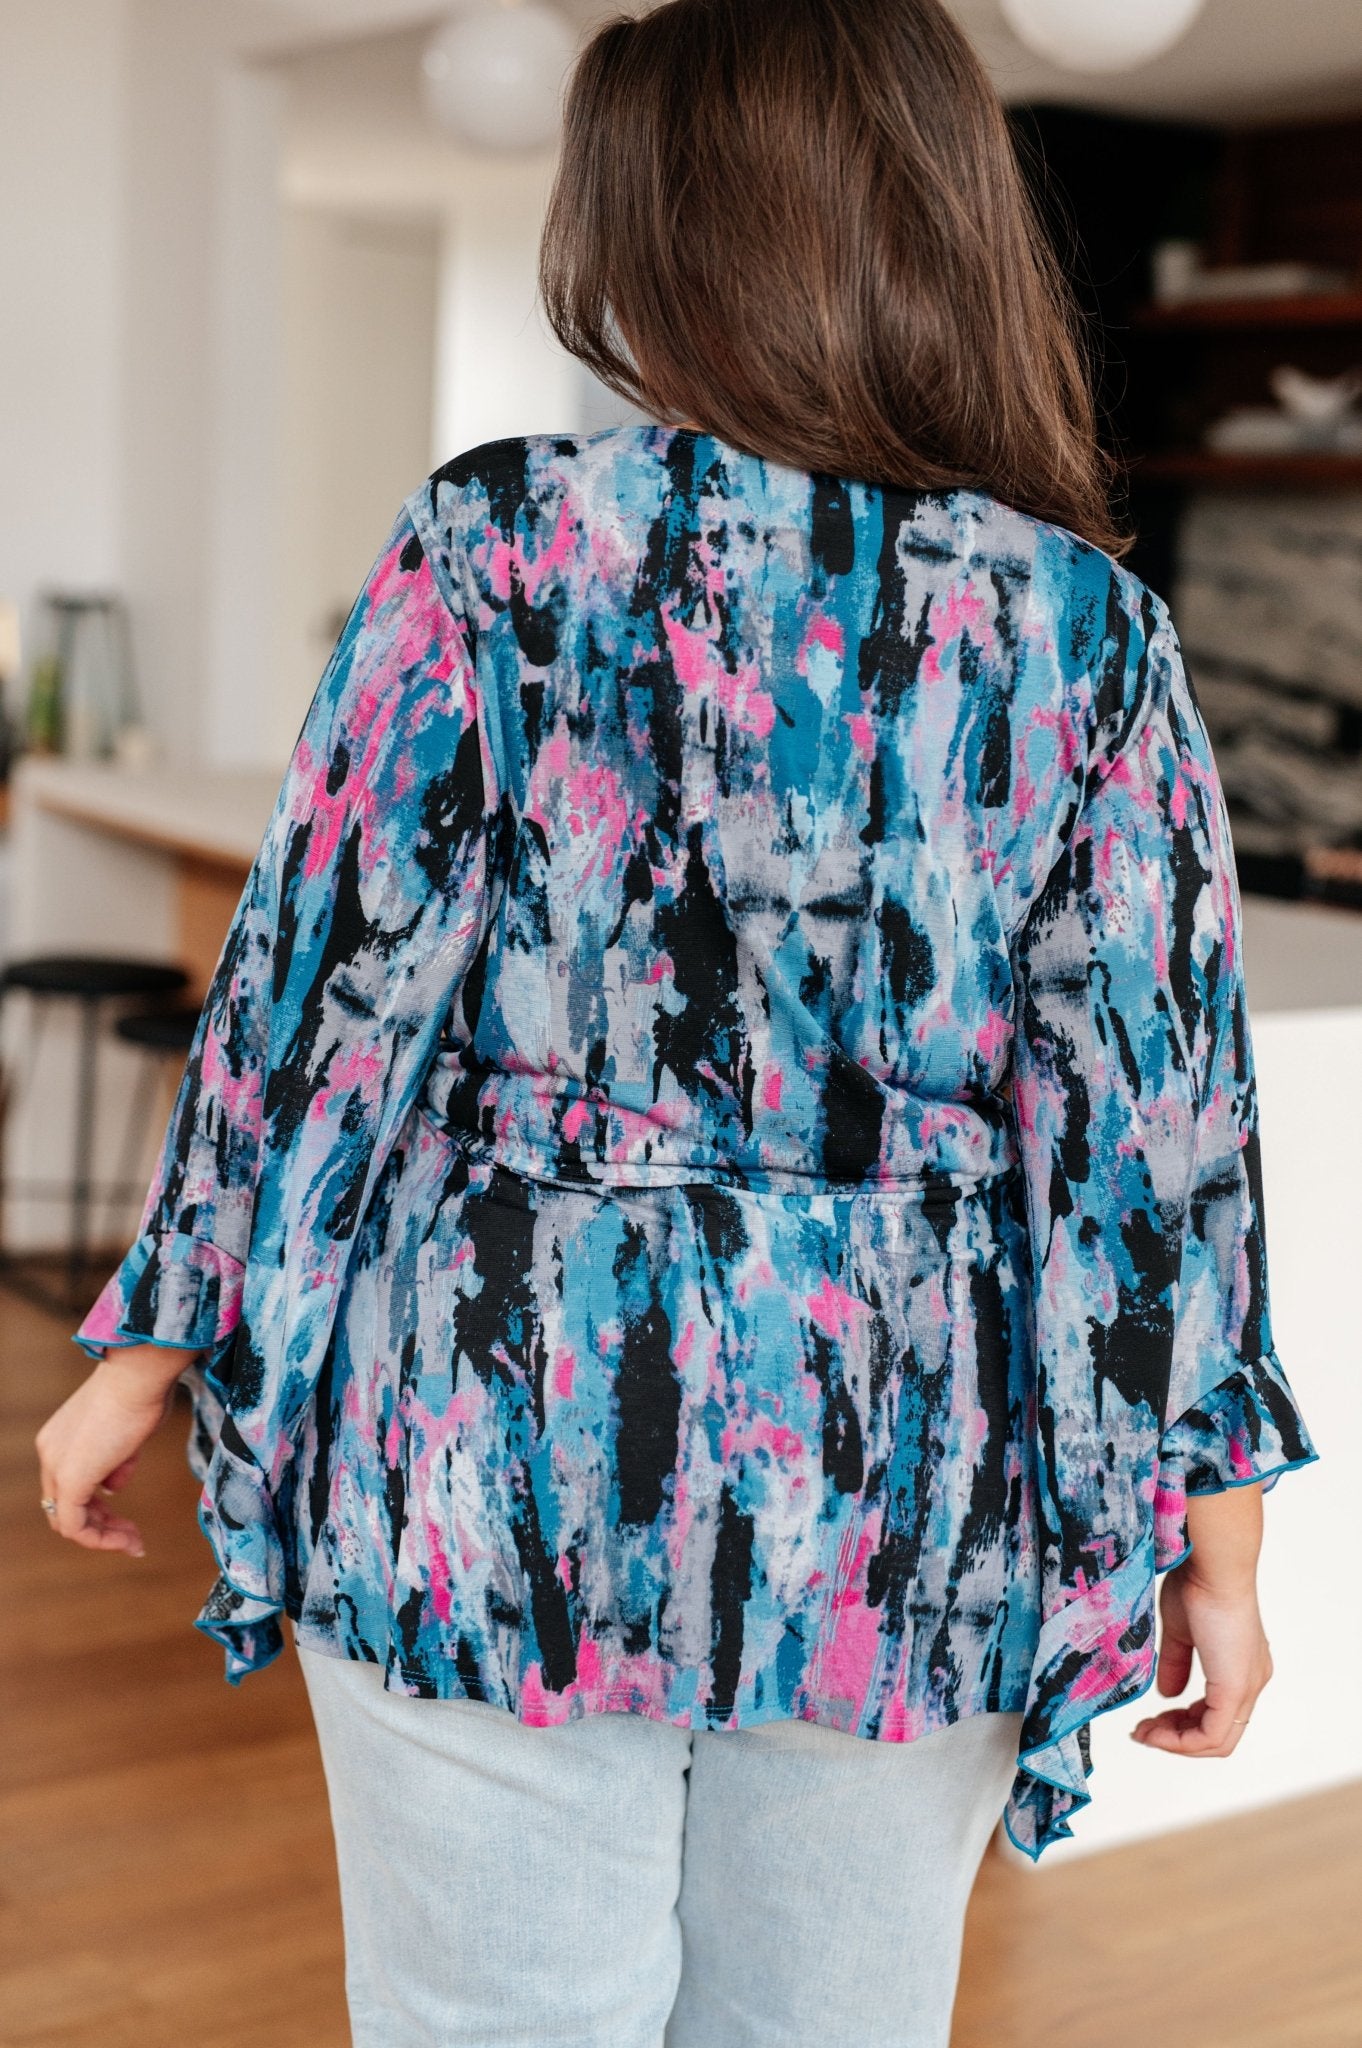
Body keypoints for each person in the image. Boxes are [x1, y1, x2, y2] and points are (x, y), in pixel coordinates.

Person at [35, 0, 1316, 2041]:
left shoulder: (495, 547)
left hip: (492, 1439)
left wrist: (152, 1347)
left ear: (646, 228)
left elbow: (322, 999)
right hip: (900, 1476)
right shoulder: (1080, 628)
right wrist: (1217, 1553)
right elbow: (1152, 1152)